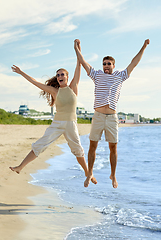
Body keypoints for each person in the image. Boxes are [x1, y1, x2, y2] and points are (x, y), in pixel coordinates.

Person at [9, 41, 97, 186]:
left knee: (78, 150)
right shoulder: (55, 91)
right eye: (58, 75)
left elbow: (79, 64)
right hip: (57, 124)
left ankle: (89, 174)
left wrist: (77, 49)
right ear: (56, 78)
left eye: (62, 74)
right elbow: (35, 82)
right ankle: (20, 167)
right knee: (39, 145)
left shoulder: (73, 86)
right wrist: (21, 72)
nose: (60, 76)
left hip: (70, 124)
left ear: (67, 77)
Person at [74, 38, 150, 188]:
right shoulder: (96, 75)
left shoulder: (120, 76)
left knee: (113, 147)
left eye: (109, 64)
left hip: (112, 118)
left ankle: (113, 175)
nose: (106, 66)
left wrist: (144, 46)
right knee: (92, 146)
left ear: (114, 65)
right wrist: (77, 48)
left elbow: (134, 63)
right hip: (98, 116)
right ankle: (89, 173)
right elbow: (83, 62)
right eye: (104, 64)